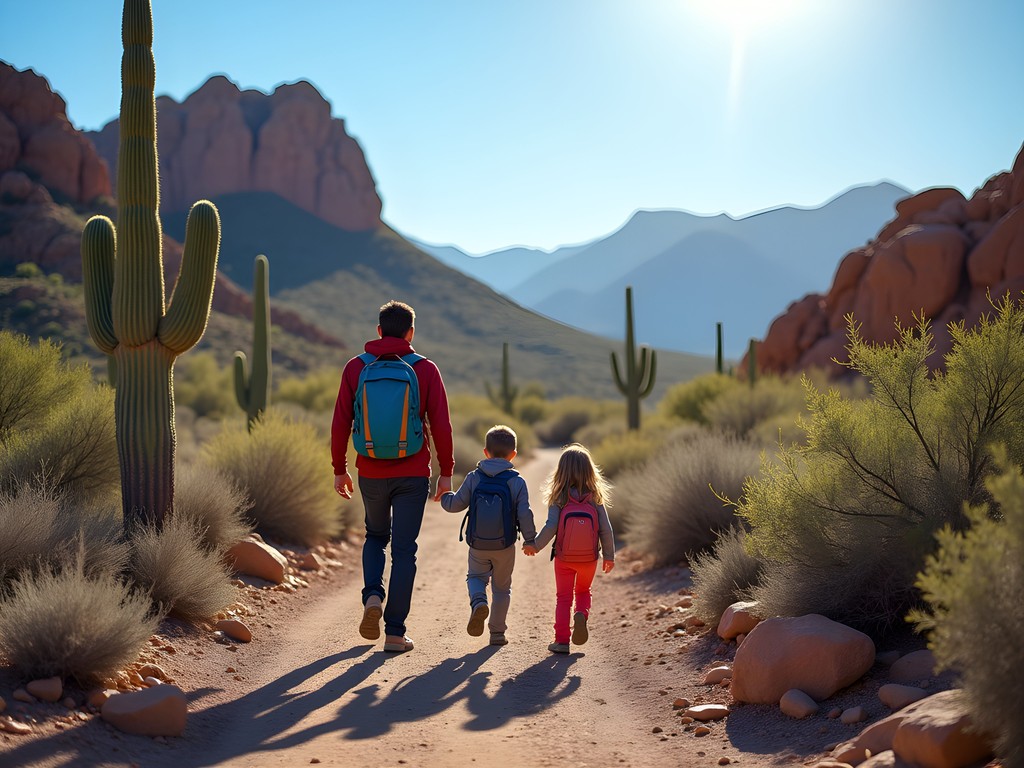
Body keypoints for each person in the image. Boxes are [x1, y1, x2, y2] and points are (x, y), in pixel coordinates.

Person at [332, 300, 454, 653]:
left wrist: (339, 468)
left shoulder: (356, 367)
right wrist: (446, 473)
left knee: (374, 536)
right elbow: (441, 425)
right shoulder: (425, 369)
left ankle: (373, 595)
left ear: (378, 330)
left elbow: (340, 422)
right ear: (410, 333)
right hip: (412, 473)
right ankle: (395, 633)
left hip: (370, 469)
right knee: (404, 551)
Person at [440, 425, 537, 647]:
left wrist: (444, 495)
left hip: (478, 544)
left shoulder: (474, 477)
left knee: (476, 577)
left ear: (485, 452)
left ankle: (478, 602)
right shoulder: (517, 481)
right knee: (502, 589)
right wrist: (530, 540)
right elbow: (525, 513)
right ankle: (497, 633)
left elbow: (455, 505)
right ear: (513, 454)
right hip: (505, 546)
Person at [527, 443, 615, 654]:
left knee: (563, 598)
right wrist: (609, 556)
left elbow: (551, 527)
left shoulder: (559, 497)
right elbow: (606, 529)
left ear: (561, 471)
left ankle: (562, 641)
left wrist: (535, 546)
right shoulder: (595, 497)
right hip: (589, 559)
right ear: (590, 470)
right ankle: (581, 614)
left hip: (564, 559)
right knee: (583, 591)